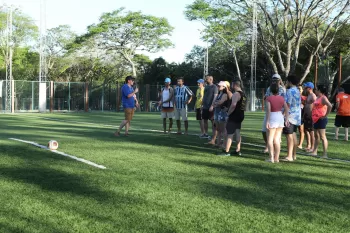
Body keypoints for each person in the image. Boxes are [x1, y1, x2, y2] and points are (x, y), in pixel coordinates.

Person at [219, 80, 246, 156]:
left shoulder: (236, 94)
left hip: (234, 115)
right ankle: (238, 150)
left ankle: (226, 151)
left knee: (230, 133)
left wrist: (228, 113)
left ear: (235, 85)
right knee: (237, 132)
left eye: (232, 85)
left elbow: (233, 105)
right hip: (240, 115)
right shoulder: (243, 94)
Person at [265, 83, 290, 163]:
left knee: (270, 139)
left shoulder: (268, 98)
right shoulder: (282, 98)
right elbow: (286, 109)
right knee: (277, 139)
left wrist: (267, 121)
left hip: (272, 116)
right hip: (280, 117)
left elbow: (268, 110)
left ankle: (271, 157)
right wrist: (286, 119)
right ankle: (276, 158)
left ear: (271, 90)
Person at [262, 74, 286, 153]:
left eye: (276, 80)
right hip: (272, 113)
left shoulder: (282, 89)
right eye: (273, 80)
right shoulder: (269, 88)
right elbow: (266, 97)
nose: (274, 81)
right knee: (265, 131)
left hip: (277, 113)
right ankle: (272, 152)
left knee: (274, 136)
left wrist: (284, 114)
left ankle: (273, 155)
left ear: (279, 80)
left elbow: (284, 104)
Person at [282, 75, 301, 162]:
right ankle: (294, 155)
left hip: (290, 116)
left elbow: (288, 104)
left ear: (289, 82)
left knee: (289, 136)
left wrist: (283, 114)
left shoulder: (289, 91)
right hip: (297, 116)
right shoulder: (297, 90)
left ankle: (289, 156)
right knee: (294, 135)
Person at [309, 85, 332, 158]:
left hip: (321, 119)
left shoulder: (323, 98)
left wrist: (325, 115)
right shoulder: (317, 97)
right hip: (315, 119)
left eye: (316, 89)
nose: (315, 90)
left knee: (322, 136)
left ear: (319, 90)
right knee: (316, 136)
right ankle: (314, 152)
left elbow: (330, 106)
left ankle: (325, 154)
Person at [208, 81, 229, 147]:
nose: (218, 87)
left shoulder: (225, 94)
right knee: (218, 129)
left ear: (224, 87)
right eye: (218, 86)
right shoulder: (219, 93)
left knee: (223, 130)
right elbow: (216, 102)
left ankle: (224, 144)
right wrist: (215, 103)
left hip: (222, 113)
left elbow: (220, 102)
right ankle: (218, 143)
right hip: (217, 112)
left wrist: (215, 103)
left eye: (219, 86)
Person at [303, 82, 317, 152]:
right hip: (306, 115)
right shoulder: (308, 95)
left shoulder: (313, 96)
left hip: (311, 116)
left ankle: (312, 146)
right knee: (306, 130)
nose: (304, 89)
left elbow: (316, 105)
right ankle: (308, 145)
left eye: (306, 87)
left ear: (310, 88)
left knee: (311, 131)